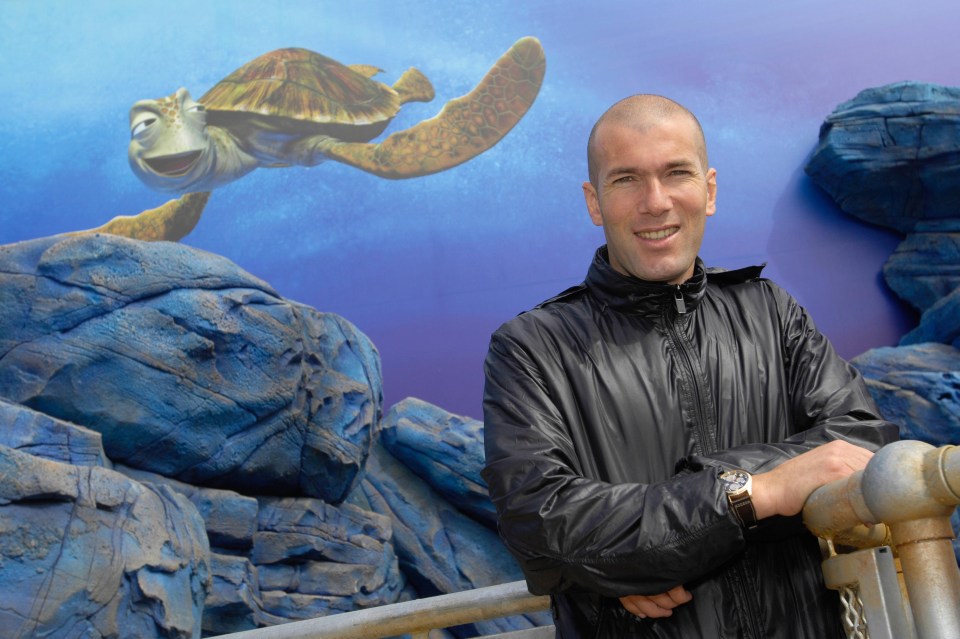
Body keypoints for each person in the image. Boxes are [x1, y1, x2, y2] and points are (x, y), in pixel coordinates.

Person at [481, 94, 900, 638]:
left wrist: (647, 547)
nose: (655, 202)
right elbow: (539, 522)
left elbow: (860, 446)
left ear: (709, 190)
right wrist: (755, 495)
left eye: (676, 172)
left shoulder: (769, 310)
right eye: (627, 179)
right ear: (594, 201)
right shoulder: (531, 349)